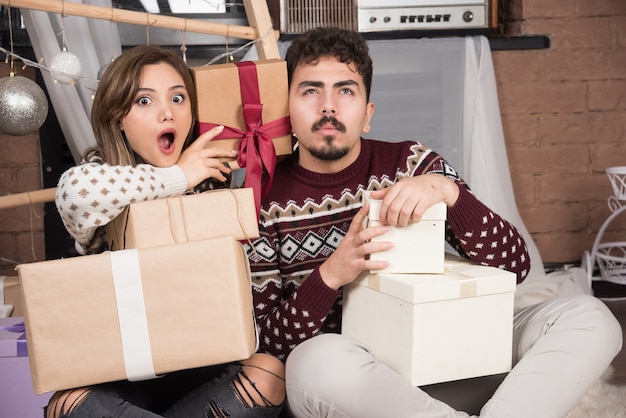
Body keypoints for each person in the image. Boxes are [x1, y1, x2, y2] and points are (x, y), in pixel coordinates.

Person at [244, 27, 623, 418]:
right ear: (286, 109)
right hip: (364, 389)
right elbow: (269, 346)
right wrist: (331, 274)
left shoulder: (412, 164)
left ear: (368, 113)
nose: (328, 106)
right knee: (312, 362)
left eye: (345, 90)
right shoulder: (260, 201)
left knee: (591, 318)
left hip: (451, 359)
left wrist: (449, 193)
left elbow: (516, 266)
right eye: (310, 90)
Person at [52, 45, 286, 418]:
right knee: (70, 403)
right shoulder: (102, 178)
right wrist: (179, 176)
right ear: (118, 121)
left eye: (178, 98)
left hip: (202, 369)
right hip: (122, 375)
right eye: (144, 101)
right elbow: (74, 193)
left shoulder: (214, 182)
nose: (167, 112)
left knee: (269, 376)